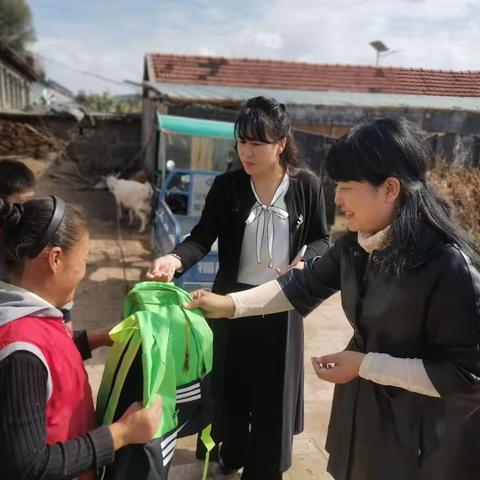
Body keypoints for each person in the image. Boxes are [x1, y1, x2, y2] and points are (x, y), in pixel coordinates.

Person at [185, 117, 480, 480]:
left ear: (390, 188)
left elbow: (467, 376)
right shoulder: (356, 247)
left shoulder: (448, 267)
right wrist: (229, 305)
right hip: (364, 427)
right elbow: (300, 285)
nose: (337, 199)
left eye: (345, 187)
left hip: (422, 444)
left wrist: (364, 365)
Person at [147, 96, 330, 479]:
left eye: (257, 143)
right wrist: (175, 259)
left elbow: (321, 239)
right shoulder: (227, 186)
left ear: (281, 143)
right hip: (228, 304)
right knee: (230, 387)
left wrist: (304, 261)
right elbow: (201, 237)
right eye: (241, 141)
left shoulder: (307, 187)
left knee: (272, 396)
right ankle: (230, 456)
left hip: (281, 304)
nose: (246, 151)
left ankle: (264, 468)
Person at [0, 195, 162, 480]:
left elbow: (48, 364)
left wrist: (99, 338)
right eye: (84, 260)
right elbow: (29, 466)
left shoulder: (35, 316)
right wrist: (120, 434)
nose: (84, 273)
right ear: (55, 259)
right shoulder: (20, 349)